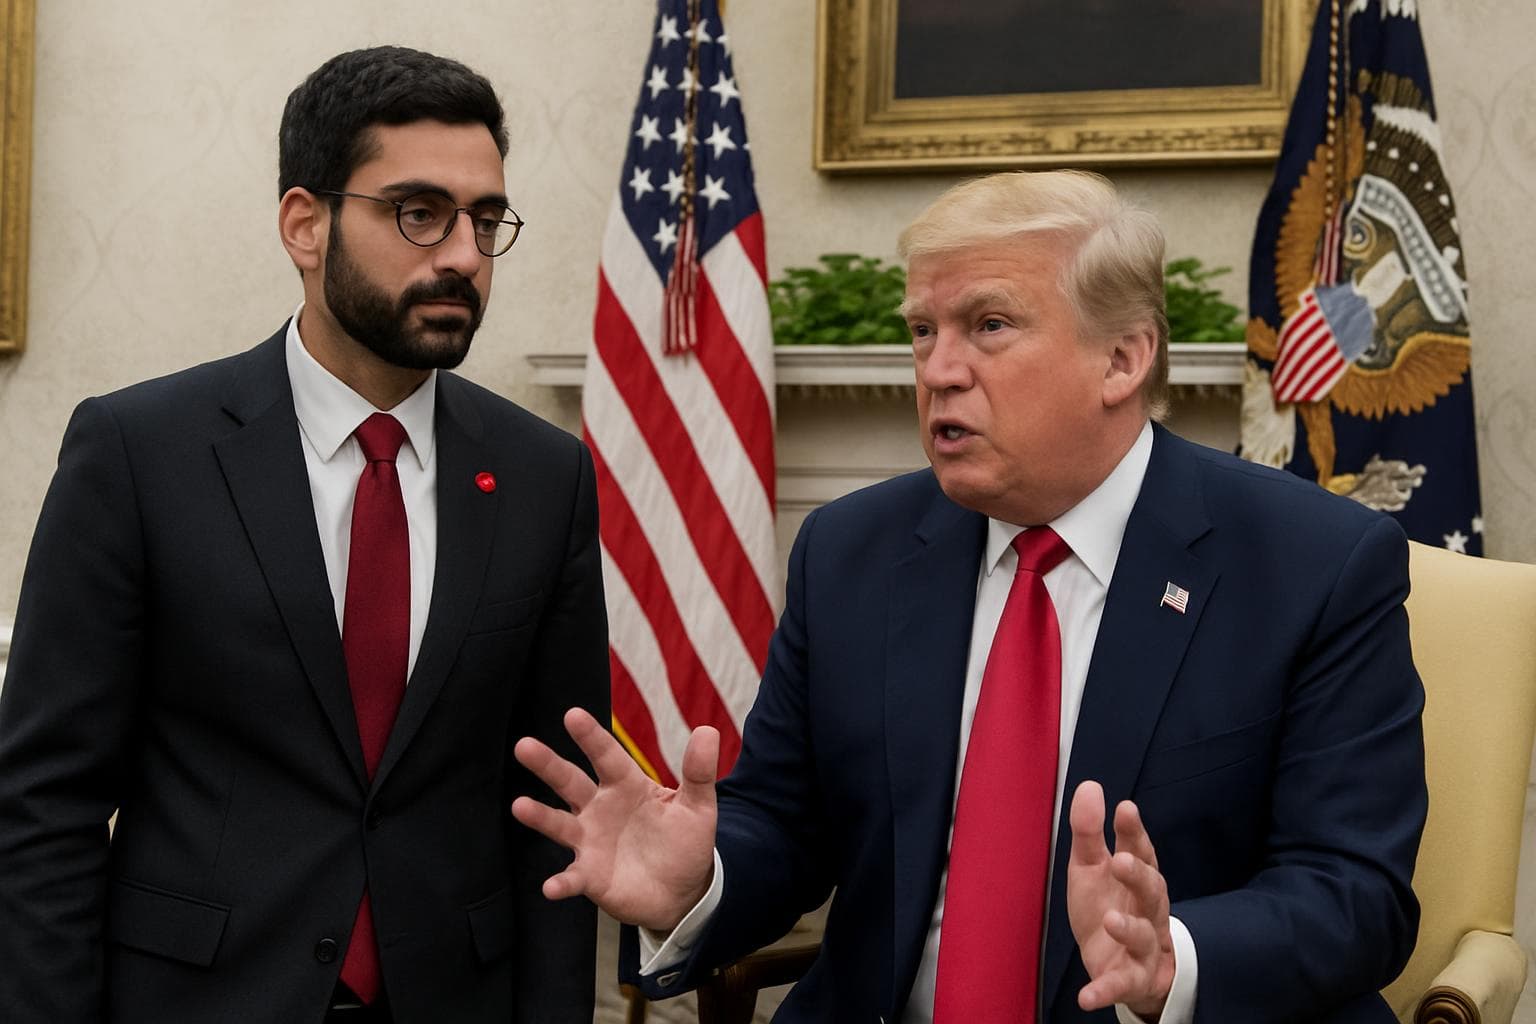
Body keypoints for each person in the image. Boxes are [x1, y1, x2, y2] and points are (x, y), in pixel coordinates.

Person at [512, 171, 1427, 1023]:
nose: (938, 369)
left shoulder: (1314, 564)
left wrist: (1173, 960)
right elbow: (788, 825)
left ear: (1122, 359)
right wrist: (698, 881)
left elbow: (1355, 890)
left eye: (989, 325)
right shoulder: (851, 551)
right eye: (923, 330)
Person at [0, 46, 606, 1024]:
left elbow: (555, 811)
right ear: (305, 224)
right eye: (419, 213)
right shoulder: (139, 452)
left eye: (485, 220)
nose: (461, 254)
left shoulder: (546, 476)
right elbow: (45, 804)